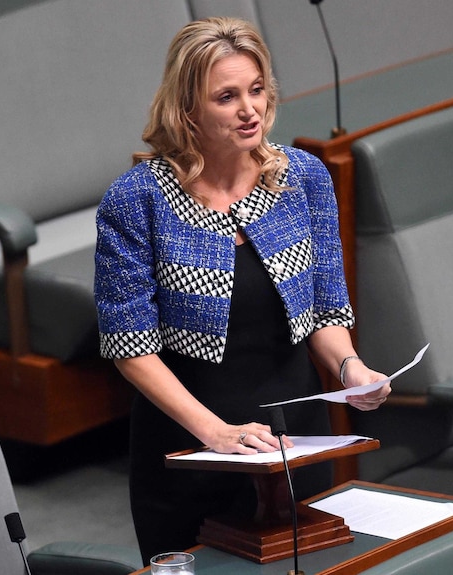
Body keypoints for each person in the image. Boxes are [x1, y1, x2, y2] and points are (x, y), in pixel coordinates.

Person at [93, 16, 390, 563]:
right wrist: (216, 433)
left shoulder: (303, 178)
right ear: (188, 111)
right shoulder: (136, 201)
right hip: (187, 445)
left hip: (296, 443)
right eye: (227, 97)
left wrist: (351, 370)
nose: (249, 109)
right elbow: (129, 346)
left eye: (256, 90)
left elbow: (325, 311)